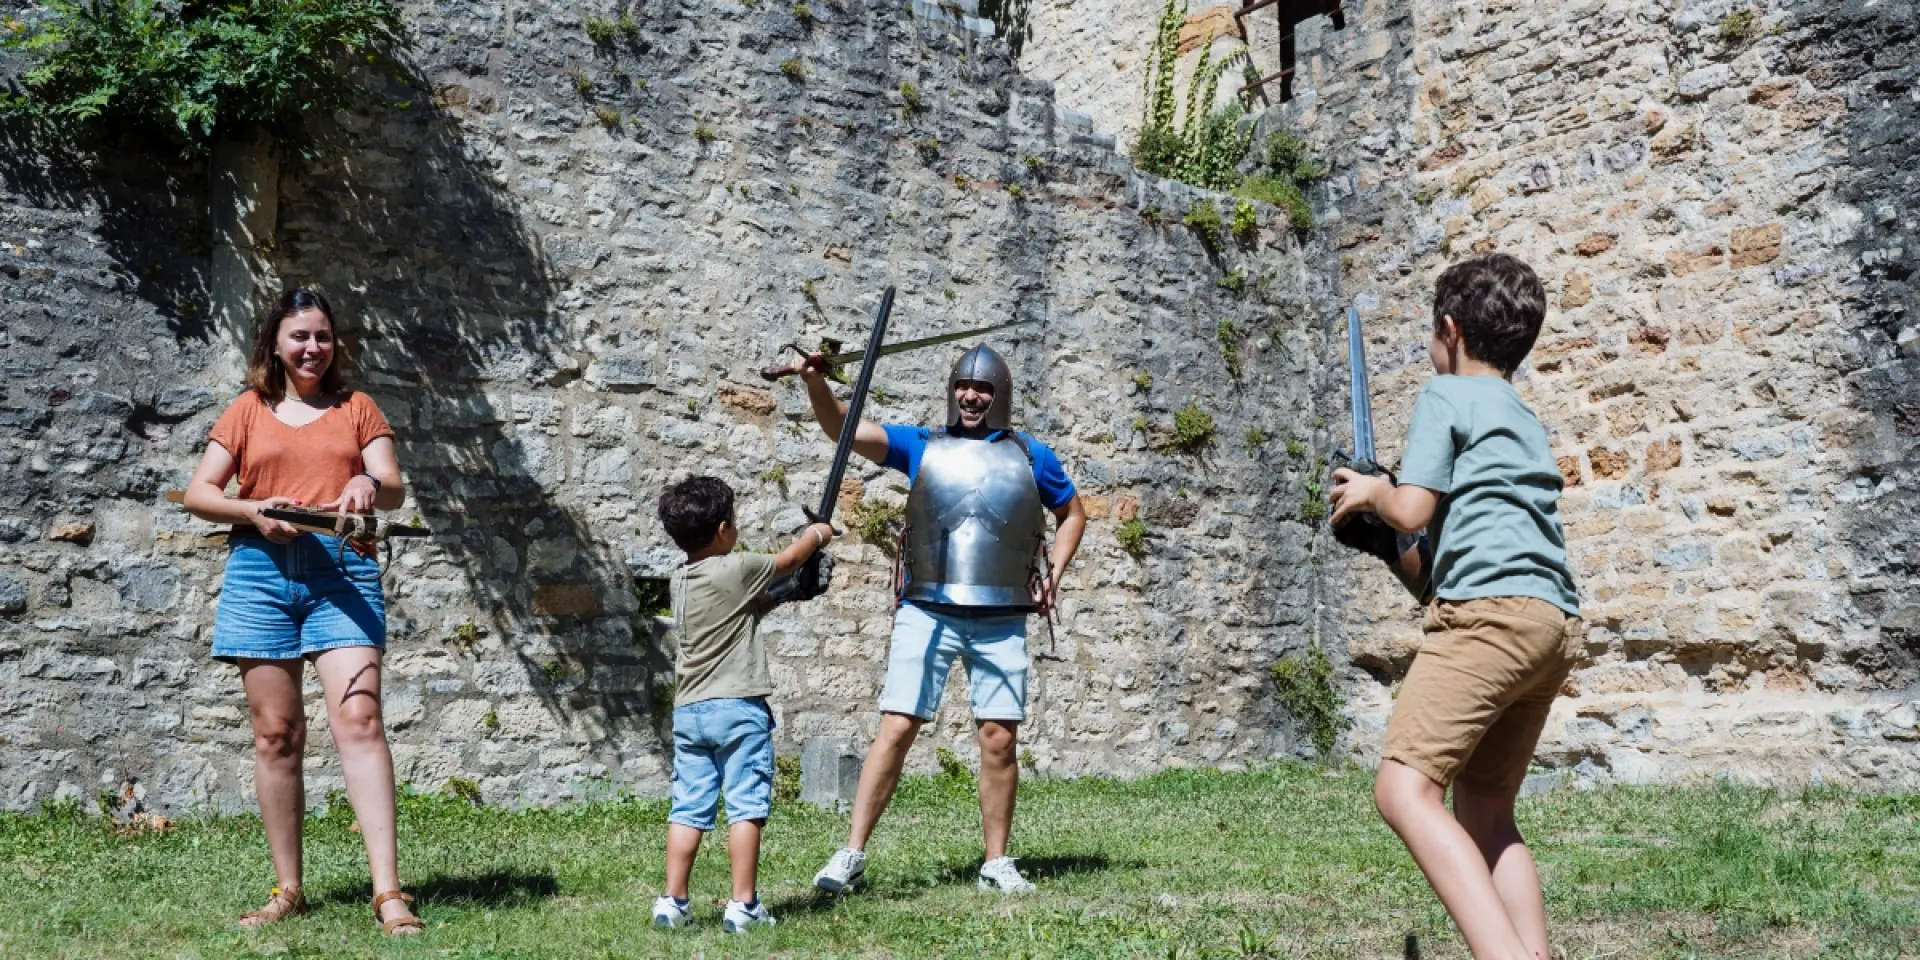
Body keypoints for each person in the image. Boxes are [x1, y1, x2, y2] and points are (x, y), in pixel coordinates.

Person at [1328, 253, 1582, 960]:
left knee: (1403, 792)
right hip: (1551, 623)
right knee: (1486, 807)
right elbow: (1440, 556)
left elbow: (1410, 506)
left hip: (1488, 620)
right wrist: (1393, 542)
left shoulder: (1444, 397)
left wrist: (1373, 493)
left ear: (1449, 331)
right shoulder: (1520, 416)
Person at [798, 344, 1087, 895]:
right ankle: (852, 853)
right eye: (963, 387)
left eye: (983, 390)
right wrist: (816, 384)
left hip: (1002, 613)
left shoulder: (1032, 456)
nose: (971, 396)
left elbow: (1071, 512)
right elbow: (842, 429)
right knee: (899, 725)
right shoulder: (921, 446)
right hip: (927, 606)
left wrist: (1056, 571)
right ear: (952, 391)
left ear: (999, 396)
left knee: (999, 736)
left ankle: (996, 861)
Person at [181, 289, 423, 936]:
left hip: (341, 572)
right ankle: (287, 889)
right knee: (277, 735)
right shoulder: (248, 410)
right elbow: (199, 493)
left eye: (322, 336)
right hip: (260, 573)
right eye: (299, 336)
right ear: (276, 344)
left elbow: (393, 488)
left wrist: (368, 483)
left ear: (335, 343)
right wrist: (252, 510)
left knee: (361, 719)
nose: (312, 347)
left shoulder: (356, 408)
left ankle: (388, 893)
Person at [649, 476, 835, 933]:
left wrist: (792, 591)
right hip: (737, 710)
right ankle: (744, 904)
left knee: (689, 807)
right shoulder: (734, 566)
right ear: (723, 529)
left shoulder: (682, 578)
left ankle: (672, 901)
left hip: (691, 711)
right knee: (745, 806)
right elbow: (790, 558)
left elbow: (747, 610)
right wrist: (819, 534)